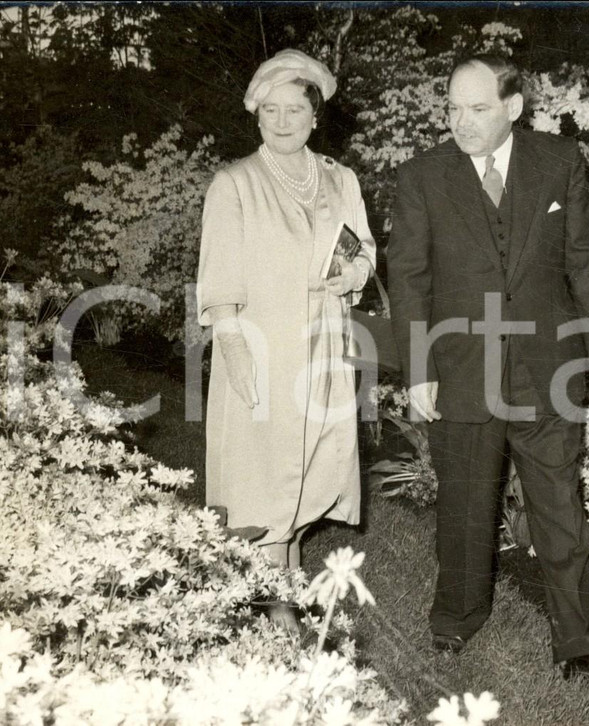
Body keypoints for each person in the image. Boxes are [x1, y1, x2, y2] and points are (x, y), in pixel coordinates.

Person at [387, 54, 589, 681]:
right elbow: (410, 280)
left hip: (546, 367)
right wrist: (418, 369)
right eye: (453, 108)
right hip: (461, 368)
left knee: (561, 509)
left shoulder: (558, 161)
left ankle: (580, 641)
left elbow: (585, 256)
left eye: (477, 108)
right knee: (465, 507)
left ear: (514, 107)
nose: (461, 122)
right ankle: (456, 618)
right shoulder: (422, 177)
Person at [196, 49, 375, 606]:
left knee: (310, 473)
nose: (282, 121)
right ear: (256, 114)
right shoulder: (235, 184)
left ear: (315, 117)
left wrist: (354, 273)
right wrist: (234, 350)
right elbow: (219, 282)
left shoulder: (341, 179)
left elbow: (364, 249)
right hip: (263, 351)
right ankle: (276, 611)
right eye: (270, 110)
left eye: (294, 109)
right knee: (266, 479)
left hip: (323, 348)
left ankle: (283, 589)